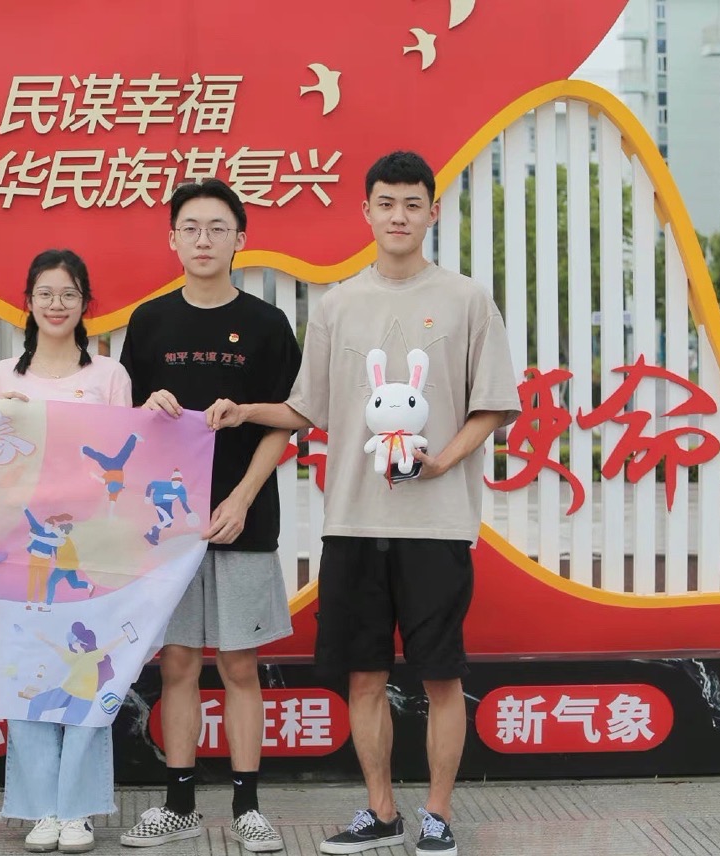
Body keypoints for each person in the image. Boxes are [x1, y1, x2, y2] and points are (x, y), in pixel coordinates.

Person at [207, 151, 521, 856]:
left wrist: (440, 462)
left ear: (432, 212)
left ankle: (436, 814)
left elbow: (493, 405)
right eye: (386, 203)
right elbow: (305, 408)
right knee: (364, 676)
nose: (398, 216)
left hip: (437, 524)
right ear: (366, 212)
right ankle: (380, 812)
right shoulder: (338, 305)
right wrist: (245, 411)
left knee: (442, 675)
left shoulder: (467, 300)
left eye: (412, 204)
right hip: (351, 521)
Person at [117, 179, 300, 853]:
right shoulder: (150, 322)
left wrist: (244, 496)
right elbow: (124, 423)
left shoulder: (267, 325)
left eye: (217, 228)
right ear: (172, 239)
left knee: (241, 664)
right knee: (177, 663)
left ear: (239, 239)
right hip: (168, 525)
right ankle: (178, 804)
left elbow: (291, 417)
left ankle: (248, 806)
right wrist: (148, 408)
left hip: (241, 519)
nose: (203, 239)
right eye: (190, 228)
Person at [0, 248, 132, 854]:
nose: (56, 304)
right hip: (22, 547)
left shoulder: (109, 377)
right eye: (45, 293)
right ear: (27, 301)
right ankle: (40, 807)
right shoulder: (0, 378)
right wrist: (1, 423)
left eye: (69, 293)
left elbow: (127, 458)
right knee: (30, 672)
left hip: (90, 546)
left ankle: (78, 809)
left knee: (88, 674)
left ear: (85, 303)